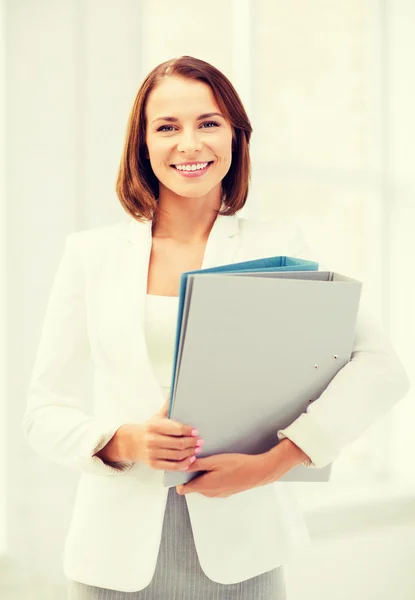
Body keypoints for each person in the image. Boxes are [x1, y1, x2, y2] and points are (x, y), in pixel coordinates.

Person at [22, 56, 410, 599]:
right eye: (167, 127)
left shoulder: (277, 249)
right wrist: (123, 440)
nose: (190, 144)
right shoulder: (91, 255)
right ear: (142, 144)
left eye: (208, 123)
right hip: (114, 551)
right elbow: (43, 412)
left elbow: (381, 368)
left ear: (235, 136)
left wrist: (277, 462)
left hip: (243, 546)